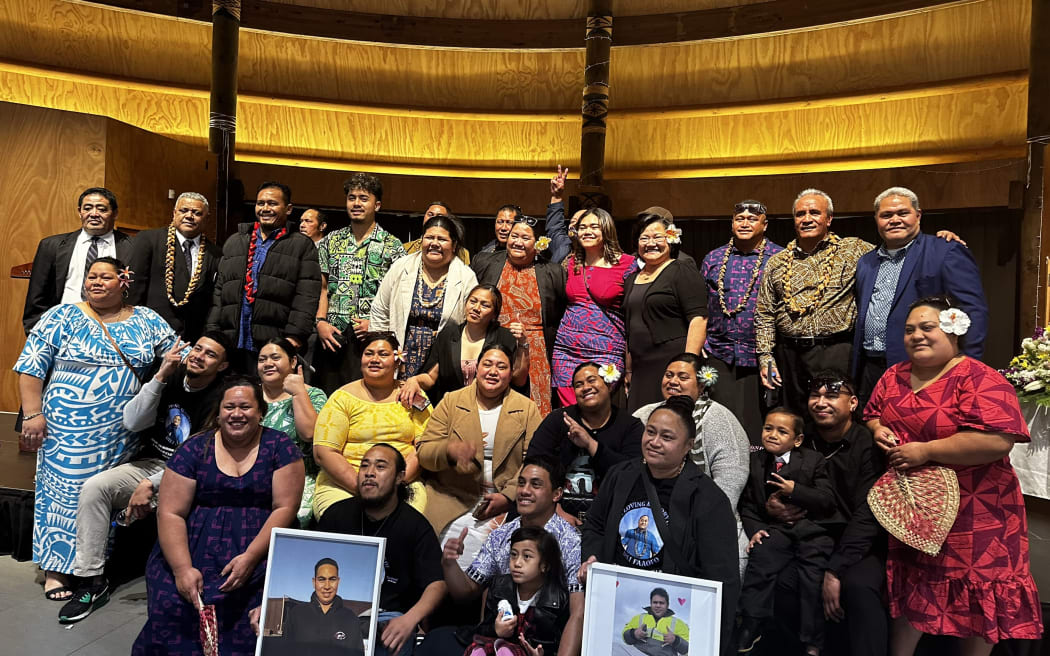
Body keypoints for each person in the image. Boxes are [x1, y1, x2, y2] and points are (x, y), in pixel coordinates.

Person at [864, 296, 1043, 654]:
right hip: (919, 509)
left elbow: (996, 442)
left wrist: (926, 451)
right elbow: (873, 413)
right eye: (909, 329)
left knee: (978, 594)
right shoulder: (893, 375)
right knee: (917, 589)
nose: (917, 335)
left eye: (927, 327)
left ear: (953, 330)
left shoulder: (979, 378)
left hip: (979, 512)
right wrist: (877, 428)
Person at [15, 256, 175, 601]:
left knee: (99, 495)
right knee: (60, 494)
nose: (96, 282)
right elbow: (31, 365)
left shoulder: (147, 319)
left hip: (121, 431)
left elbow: (177, 352)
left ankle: (94, 566)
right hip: (65, 427)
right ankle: (55, 570)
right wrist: (32, 413)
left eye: (105, 276)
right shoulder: (62, 315)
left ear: (124, 281)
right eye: (91, 277)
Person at [59, 331, 230, 622]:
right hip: (150, 462)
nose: (199, 356)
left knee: (161, 489)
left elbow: (199, 459)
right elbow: (133, 421)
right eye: (197, 348)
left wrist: (151, 485)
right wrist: (161, 375)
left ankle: (137, 511)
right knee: (94, 488)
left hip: (190, 474)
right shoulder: (171, 377)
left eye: (210, 354)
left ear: (223, 366)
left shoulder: (221, 397)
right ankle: (92, 581)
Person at [132, 376, 305, 655]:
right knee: (175, 604)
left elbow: (284, 508)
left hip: (263, 546)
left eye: (246, 407)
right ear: (219, 411)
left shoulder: (280, 447)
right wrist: (182, 569)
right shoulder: (195, 448)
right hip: (195, 545)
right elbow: (171, 512)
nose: (237, 414)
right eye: (230, 407)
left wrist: (250, 557)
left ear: (261, 412)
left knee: (256, 613)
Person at [579, 395, 740, 656]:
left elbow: (723, 579)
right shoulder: (620, 475)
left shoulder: (709, 500)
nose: (654, 442)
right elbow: (595, 526)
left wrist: (712, 642)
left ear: (688, 445)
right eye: (650, 432)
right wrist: (592, 556)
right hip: (620, 607)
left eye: (667, 437)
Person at [420, 457, 583, 656]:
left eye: (535, 485)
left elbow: (578, 613)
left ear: (556, 494)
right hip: (498, 640)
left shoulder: (570, 541)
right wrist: (450, 564)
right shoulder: (500, 535)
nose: (524, 491)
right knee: (434, 643)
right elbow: (467, 591)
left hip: (545, 644)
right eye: (521, 483)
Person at [852, 187, 988, 404]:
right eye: (886, 215)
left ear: (918, 215)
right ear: (876, 220)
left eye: (902, 213)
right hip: (870, 368)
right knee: (874, 429)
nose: (894, 220)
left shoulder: (945, 251)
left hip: (925, 367)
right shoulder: (866, 262)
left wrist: (966, 367)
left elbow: (973, 311)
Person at [417, 344, 543, 564]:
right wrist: (449, 450)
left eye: (501, 366)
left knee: (497, 564)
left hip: (503, 500)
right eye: (487, 364)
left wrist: (508, 497)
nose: (493, 371)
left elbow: (534, 460)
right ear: (477, 368)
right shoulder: (451, 401)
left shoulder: (527, 409)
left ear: (511, 373)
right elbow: (425, 452)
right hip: (452, 496)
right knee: (439, 563)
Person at [318, 444, 447, 656]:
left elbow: (437, 583)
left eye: (380, 466)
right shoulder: (336, 515)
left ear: (399, 477)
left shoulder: (414, 525)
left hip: (388, 618)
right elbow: (305, 563)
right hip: (334, 612)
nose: (369, 473)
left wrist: (409, 619)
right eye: (364, 466)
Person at [632, 354, 750, 573]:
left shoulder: (719, 418)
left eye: (683, 377)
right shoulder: (645, 414)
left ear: (702, 383)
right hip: (646, 516)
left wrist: (694, 522)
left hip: (707, 523)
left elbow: (731, 480)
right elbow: (629, 466)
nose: (673, 381)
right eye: (669, 375)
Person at [737, 408, 840, 656]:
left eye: (782, 431)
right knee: (761, 558)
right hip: (778, 530)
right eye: (768, 428)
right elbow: (748, 505)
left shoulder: (814, 460)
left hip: (811, 531)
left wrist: (795, 490)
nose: (772, 435)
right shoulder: (755, 462)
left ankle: (812, 642)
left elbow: (827, 500)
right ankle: (751, 623)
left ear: (797, 440)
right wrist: (757, 530)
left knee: (811, 578)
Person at [805, 372, 886, 656]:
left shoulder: (868, 444)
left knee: (858, 587)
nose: (821, 402)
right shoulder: (803, 438)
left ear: (852, 403)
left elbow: (870, 512)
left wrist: (835, 568)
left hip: (862, 542)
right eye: (815, 396)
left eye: (831, 396)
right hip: (814, 538)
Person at [207, 181, 321, 372]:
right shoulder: (235, 241)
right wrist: (212, 331)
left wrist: (294, 338)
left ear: (288, 209)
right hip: (231, 341)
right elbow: (219, 291)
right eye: (261, 203)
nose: (265, 208)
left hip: (274, 344)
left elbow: (307, 295)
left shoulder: (302, 245)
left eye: (272, 203)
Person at [313, 332, 429, 519]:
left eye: (383, 354)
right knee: (342, 520)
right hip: (344, 485)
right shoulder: (342, 398)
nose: (375, 359)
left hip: (401, 484)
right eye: (369, 354)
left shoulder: (412, 396)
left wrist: (393, 487)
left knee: (407, 523)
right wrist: (364, 488)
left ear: (398, 360)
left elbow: (425, 448)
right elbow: (324, 452)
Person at [700, 200, 784, 442]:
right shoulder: (713, 258)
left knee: (758, 425)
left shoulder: (779, 258)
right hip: (718, 353)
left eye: (752, 218)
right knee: (717, 421)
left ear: (764, 225)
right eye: (739, 218)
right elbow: (701, 306)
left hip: (764, 356)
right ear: (732, 223)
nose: (745, 223)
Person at [314, 173, 407, 392]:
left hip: (371, 339)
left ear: (377, 205)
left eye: (363, 198)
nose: (356, 203)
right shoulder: (330, 241)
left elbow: (398, 298)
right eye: (352, 197)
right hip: (331, 336)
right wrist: (320, 322)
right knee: (329, 398)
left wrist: (376, 325)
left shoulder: (392, 246)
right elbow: (322, 287)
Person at [526, 361, 643, 523]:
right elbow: (534, 464)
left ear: (609, 385)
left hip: (612, 519)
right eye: (579, 384)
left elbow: (632, 475)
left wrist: (590, 444)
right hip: (556, 514)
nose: (586, 387)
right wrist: (554, 510)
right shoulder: (558, 420)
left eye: (592, 380)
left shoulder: (630, 426)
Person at [472, 218, 567, 416]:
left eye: (525, 237)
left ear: (537, 244)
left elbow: (559, 312)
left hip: (536, 351)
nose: (518, 242)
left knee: (532, 411)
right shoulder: (486, 262)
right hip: (494, 343)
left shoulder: (553, 272)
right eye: (514, 236)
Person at [371, 215, 479, 376]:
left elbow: (473, 325)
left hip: (442, 362)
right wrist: (380, 352)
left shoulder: (466, 277)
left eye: (442, 239)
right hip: (399, 358)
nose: (434, 243)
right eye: (429, 237)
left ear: (454, 245)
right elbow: (380, 310)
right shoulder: (401, 267)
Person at [622, 214, 707, 413]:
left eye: (657, 237)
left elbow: (699, 319)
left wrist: (687, 367)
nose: (651, 243)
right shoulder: (631, 279)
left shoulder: (681, 270)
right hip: (641, 368)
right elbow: (630, 326)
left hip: (671, 366)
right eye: (644, 238)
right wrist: (629, 369)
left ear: (671, 239)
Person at [551, 207, 636, 407]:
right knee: (571, 413)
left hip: (606, 351)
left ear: (606, 229)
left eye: (593, 226)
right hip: (566, 351)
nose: (587, 231)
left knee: (596, 408)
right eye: (582, 227)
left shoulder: (628, 264)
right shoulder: (571, 263)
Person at [23, 187, 134, 333]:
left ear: (115, 213)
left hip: (114, 330)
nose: (94, 214)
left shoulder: (133, 247)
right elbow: (36, 297)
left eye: (101, 209)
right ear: (79, 212)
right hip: (61, 329)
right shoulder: (51, 246)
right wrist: (36, 332)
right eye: (87, 208)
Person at [399, 284, 528, 408]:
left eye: (485, 305)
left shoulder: (504, 338)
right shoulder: (448, 335)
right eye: (473, 301)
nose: (476, 308)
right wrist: (414, 380)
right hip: (454, 407)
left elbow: (519, 380)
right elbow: (431, 377)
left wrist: (522, 344)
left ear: (494, 314)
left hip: (491, 407)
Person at [127, 192, 222, 342]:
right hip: (151, 332)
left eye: (197, 213)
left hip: (193, 337)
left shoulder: (215, 253)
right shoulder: (149, 240)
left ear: (207, 219)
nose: (189, 216)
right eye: (184, 211)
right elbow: (134, 289)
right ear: (174, 213)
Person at [463, 526, 571, 656]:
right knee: (479, 650)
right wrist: (495, 630)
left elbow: (559, 645)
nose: (517, 563)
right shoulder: (499, 587)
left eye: (526, 556)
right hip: (498, 649)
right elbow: (482, 629)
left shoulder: (559, 598)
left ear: (545, 565)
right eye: (513, 555)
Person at [258, 338, 327, 527]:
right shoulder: (251, 396)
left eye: (275, 357)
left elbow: (310, 434)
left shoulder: (313, 395)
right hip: (255, 474)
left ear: (293, 361)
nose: (268, 364)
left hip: (299, 478)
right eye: (262, 359)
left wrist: (298, 393)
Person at [281, 558, 366, 655]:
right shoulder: (296, 614)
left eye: (332, 579)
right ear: (314, 582)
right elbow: (285, 650)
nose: (327, 586)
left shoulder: (351, 618)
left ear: (338, 581)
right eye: (322, 579)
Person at [621, 588, 689, 656]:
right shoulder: (639, 618)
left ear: (667, 605)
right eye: (655, 602)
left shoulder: (678, 623)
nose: (658, 606)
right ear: (651, 603)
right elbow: (624, 637)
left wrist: (675, 640)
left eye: (661, 603)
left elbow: (689, 649)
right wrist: (633, 634)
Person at [403, 201, 471, 264]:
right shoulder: (406, 248)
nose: (433, 218)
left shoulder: (462, 253)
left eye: (439, 216)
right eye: (430, 214)